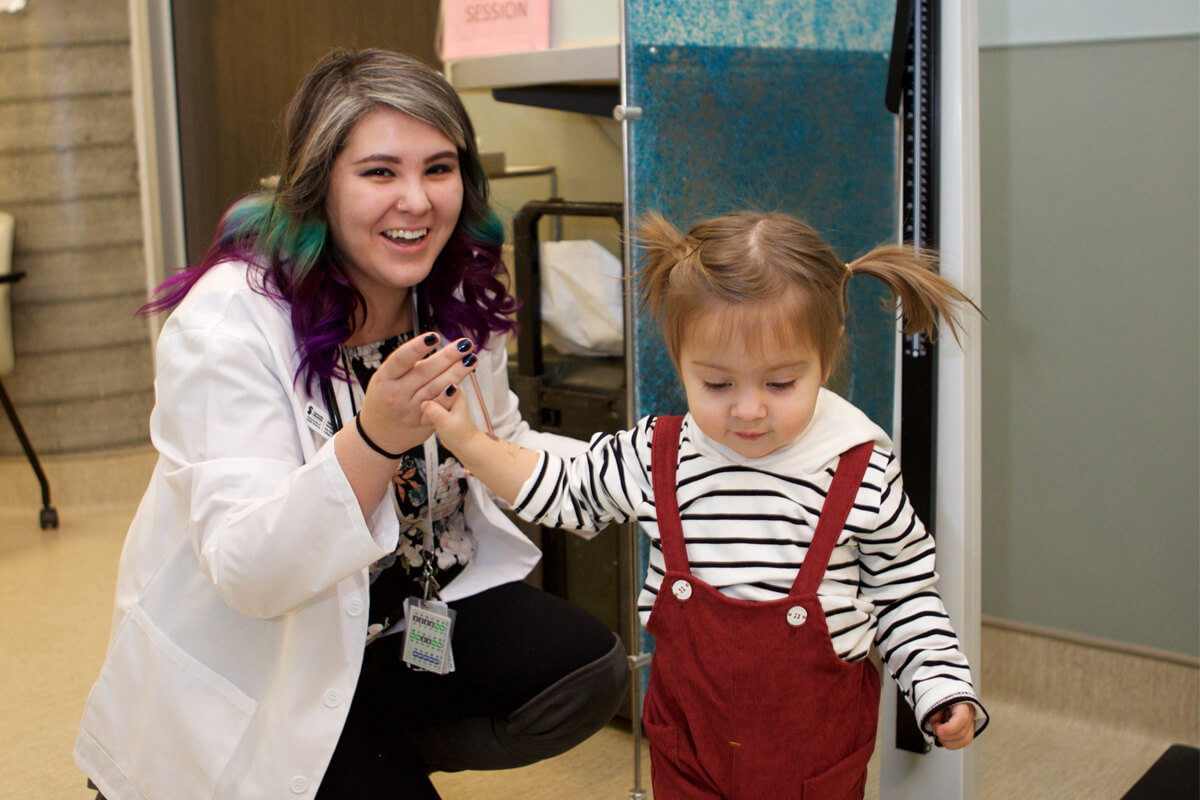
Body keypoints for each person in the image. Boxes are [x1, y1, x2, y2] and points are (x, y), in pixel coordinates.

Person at [74, 48, 628, 800]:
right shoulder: (231, 320)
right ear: (319, 186)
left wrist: (650, 472)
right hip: (263, 658)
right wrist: (374, 440)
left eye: (439, 168)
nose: (418, 201)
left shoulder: (452, 294)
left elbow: (503, 444)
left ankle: (369, 741)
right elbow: (249, 568)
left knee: (582, 668)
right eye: (379, 172)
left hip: (398, 630)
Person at [422, 210, 991, 799]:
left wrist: (939, 685)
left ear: (828, 352)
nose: (748, 411)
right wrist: (468, 441)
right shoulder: (656, 453)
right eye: (717, 384)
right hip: (690, 747)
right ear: (679, 360)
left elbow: (902, 592)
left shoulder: (860, 471)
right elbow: (563, 487)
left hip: (811, 759)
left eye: (780, 383)